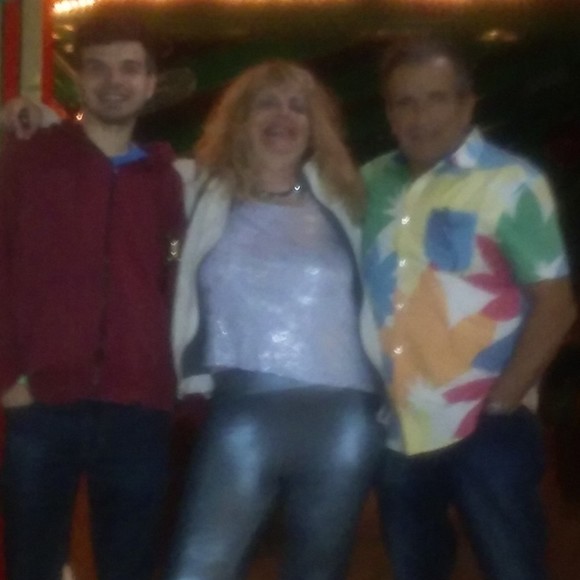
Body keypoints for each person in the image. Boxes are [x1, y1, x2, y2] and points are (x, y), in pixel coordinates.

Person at [361, 36, 577, 580]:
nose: (420, 116)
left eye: (436, 98)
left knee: (512, 568)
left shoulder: (510, 183)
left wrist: (502, 403)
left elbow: (556, 304)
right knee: (415, 569)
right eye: (405, 102)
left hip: (485, 425)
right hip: (399, 429)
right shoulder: (369, 182)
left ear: (466, 103)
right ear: (388, 112)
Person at [164, 59, 384, 580]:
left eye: (297, 107)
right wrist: (32, 116)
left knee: (317, 571)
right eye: (267, 103)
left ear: (314, 126)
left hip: (342, 418)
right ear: (240, 118)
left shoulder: (348, 197)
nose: (283, 116)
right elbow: (113, 161)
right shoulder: (197, 188)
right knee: (197, 568)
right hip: (242, 412)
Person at [0, 11, 183, 580]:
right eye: (99, 68)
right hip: (41, 402)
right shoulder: (29, 160)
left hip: (137, 407)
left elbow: (174, 284)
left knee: (130, 567)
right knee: (32, 565)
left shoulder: (166, 180)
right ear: (78, 78)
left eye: (129, 68)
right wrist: (8, 375)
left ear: (150, 84)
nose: (114, 81)